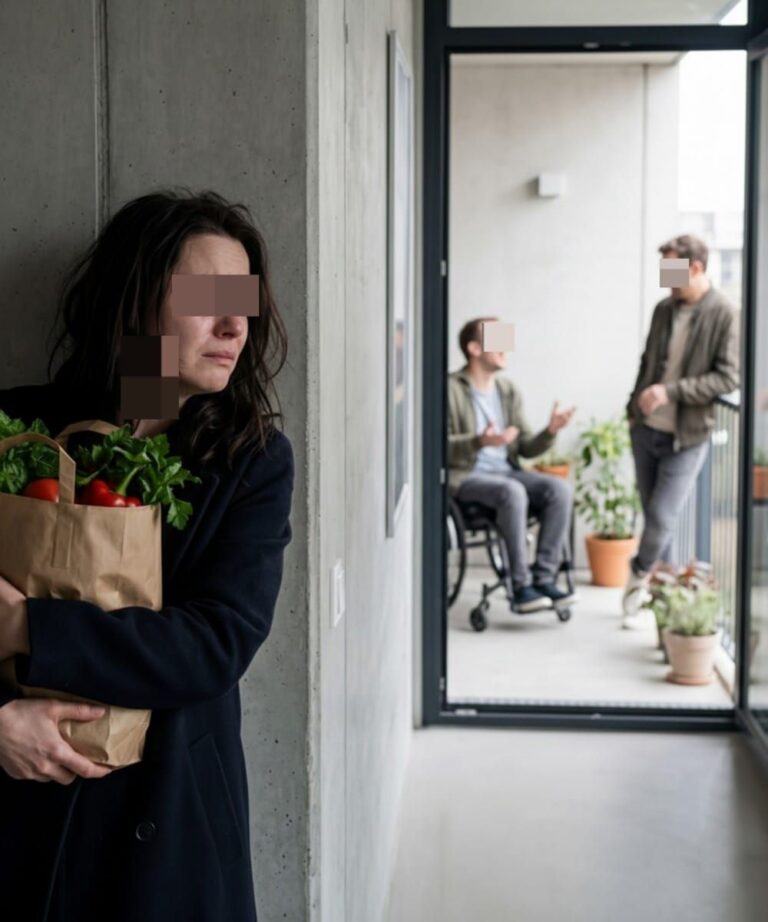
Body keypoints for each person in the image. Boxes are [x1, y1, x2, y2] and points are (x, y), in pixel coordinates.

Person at [0, 189, 294, 921]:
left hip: (165, 826)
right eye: (207, 298)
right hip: (17, 819)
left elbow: (213, 645)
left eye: (245, 303)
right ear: (135, 302)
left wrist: (25, 629)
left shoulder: (252, 461)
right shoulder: (18, 427)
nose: (235, 325)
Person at [622, 233, 739, 627]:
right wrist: (632, 409)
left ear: (697, 268)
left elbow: (728, 378)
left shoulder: (724, 312)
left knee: (660, 517)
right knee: (656, 520)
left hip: (687, 436)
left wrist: (669, 392)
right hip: (646, 430)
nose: (665, 279)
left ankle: (636, 579)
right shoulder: (663, 310)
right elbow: (646, 362)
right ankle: (663, 608)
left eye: (671, 270)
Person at [448, 317, 577, 613]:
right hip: (467, 477)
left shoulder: (507, 391)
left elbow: (527, 447)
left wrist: (551, 430)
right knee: (513, 491)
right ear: (474, 348)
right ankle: (520, 586)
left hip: (507, 471)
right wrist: (480, 441)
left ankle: (544, 578)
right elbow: (438, 447)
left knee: (559, 490)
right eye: (496, 340)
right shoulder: (451, 388)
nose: (505, 348)